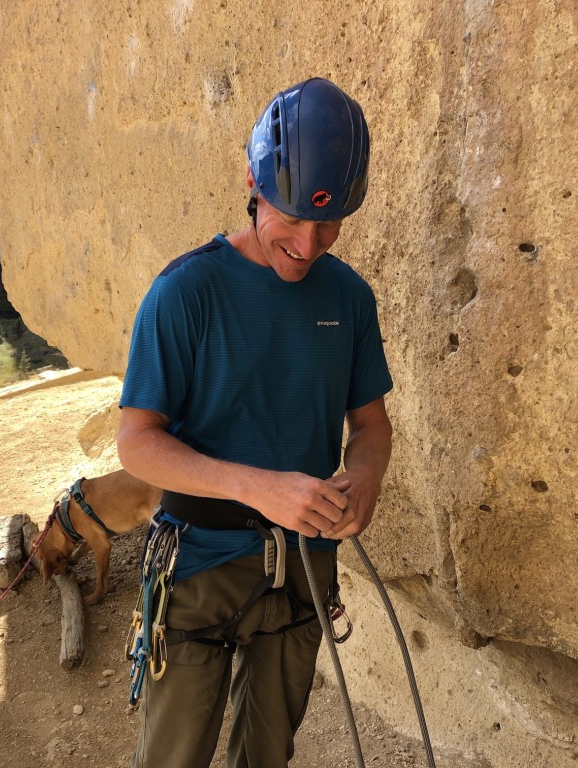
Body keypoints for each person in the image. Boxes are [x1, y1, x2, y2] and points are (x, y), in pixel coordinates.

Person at [117, 77, 393, 768]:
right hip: (200, 564)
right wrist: (258, 488)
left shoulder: (350, 300)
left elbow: (371, 425)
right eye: (291, 218)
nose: (309, 243)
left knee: (268, 756)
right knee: (172, 757)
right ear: (252, 183)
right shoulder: (186, 292)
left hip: (303, 567)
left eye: (329, 225)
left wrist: (363, 482)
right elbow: (136, 444)